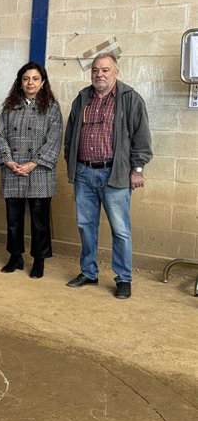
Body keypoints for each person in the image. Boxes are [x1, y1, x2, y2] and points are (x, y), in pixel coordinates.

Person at [64, 53, 152, 299]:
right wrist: (71, 163)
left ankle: (123, 278)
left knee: (120, 229)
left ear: (116, 72)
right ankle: (89, 273)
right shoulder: (82, 99)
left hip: (115, 174)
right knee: (85, 226)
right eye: (95, 70)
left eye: (105, 70)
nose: (99, 74)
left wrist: (137, 170)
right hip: (84, 173)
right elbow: (70, 136)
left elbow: (142, 138)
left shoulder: (130, 99)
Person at [0, 62, 62, 278]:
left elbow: (54, 138)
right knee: (13, 220)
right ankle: (15, 257)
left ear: (42, 83)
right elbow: (0, 134)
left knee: (39, 221)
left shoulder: (51, 107)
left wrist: (34, 162)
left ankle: (39, 260)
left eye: (34, 79)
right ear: (20, 82)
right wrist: (8, 160)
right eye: (25, 79)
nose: (30, 82)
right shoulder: (9, 107)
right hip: (13, 170)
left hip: (40, 172)